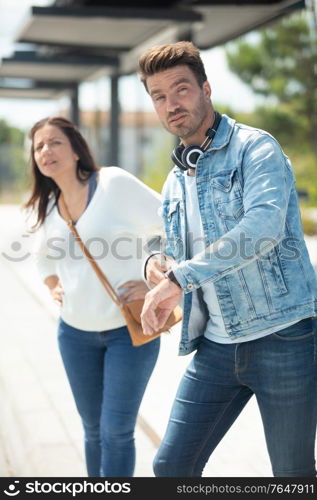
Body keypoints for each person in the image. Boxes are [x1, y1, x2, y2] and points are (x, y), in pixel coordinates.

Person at [138, 41, 317, 477]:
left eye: (180, 89)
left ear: (206, 88)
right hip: (216, 346)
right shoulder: (176, 179)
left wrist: (179, 279)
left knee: (292, 475)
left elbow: (261, 229)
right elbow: (175, 247)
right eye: (159, 96)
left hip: (284, 337)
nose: (171, 104)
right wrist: (155, 263)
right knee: (171, 469)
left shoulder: (257, 150)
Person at [25, 116, 163, 477]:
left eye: (54, 142)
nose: (46, 151)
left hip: (128, 332)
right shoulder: (51, 206)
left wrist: (157, 282)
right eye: (38, 146)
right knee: (91, 431)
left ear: (75, 149)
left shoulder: (112, 183)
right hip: (74, 335)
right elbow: (43, 258)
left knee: (115, 432)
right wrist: (52, 283)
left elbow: (172, 222)